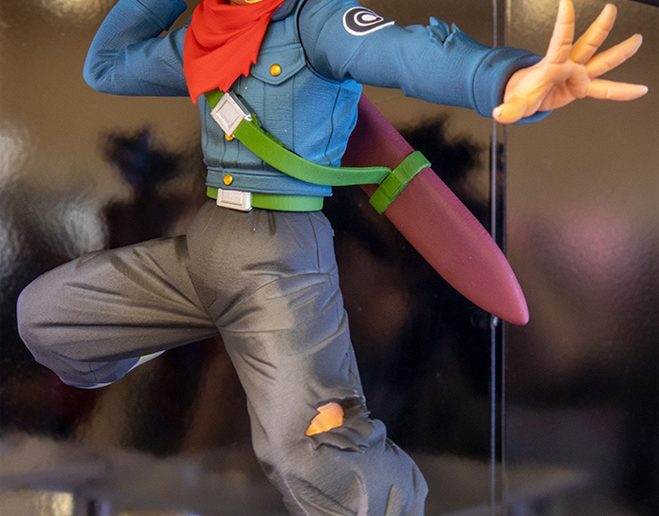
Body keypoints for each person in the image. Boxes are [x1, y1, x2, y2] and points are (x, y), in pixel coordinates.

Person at [17, 0, 646, 513]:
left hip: (279, 255)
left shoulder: (316, 23)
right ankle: (192, 334)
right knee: (49, 317)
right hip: (206, 244)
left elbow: (404, 52)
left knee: (318, 459)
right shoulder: (206, 36)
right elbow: (108, 66)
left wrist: (507, 78)